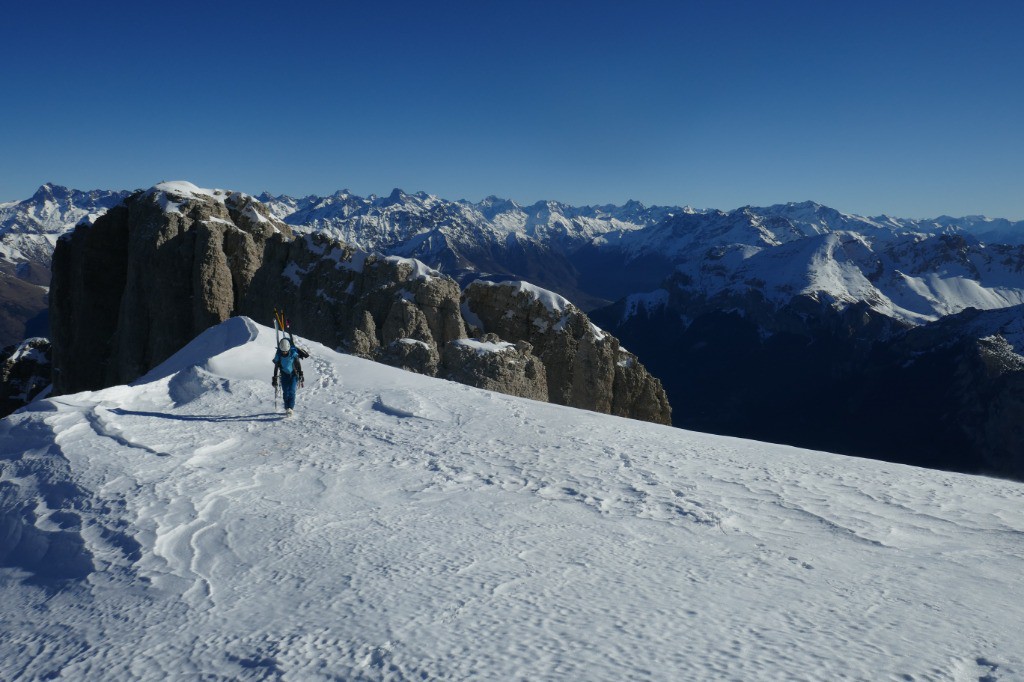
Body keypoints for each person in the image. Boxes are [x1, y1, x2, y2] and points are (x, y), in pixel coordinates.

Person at [272, 338, 304, 416]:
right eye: (283, 351)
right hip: (284, 375)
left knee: (292, 391)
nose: (284, 352)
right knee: (286, 392)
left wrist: (301, 374)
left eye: (286, 351)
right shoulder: (279, 355)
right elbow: (276, 367)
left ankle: (291, 408)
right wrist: (275, 379)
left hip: (293, 374)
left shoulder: (293, 354)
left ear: (289, 349)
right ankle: (287, 407)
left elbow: (298, 364)